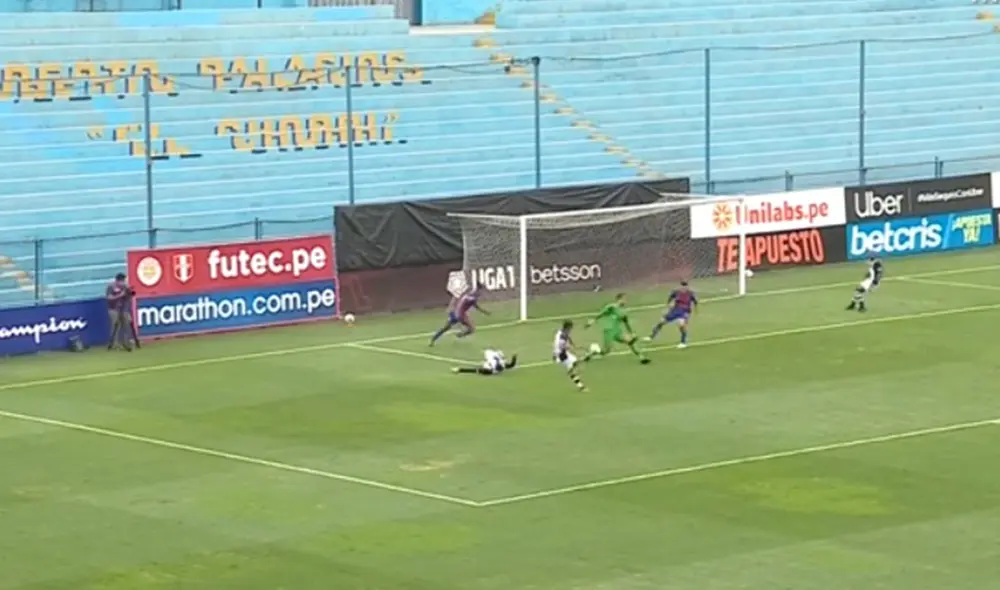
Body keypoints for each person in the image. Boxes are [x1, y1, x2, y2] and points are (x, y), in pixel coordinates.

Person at [583, 293, 650, 364]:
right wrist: (592, 321)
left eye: (626, 300)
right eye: (624, 299)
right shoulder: (611, 307)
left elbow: (626, 323)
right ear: (619, 299)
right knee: (606, 351)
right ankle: (593, 352)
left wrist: (631, 333)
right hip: (608, 330)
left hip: (618, 332)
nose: (625, 301)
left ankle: (642, 357)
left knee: (630, 341)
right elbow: (601, 314)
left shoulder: (624, 312)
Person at [646, 281, 697, 348]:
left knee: (681, 325)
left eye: (685, 286)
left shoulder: (690, 294)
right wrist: (668, 307)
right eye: (682, 286)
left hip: (684, 312)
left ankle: (683, 342)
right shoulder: (676, 292)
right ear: (680, 287)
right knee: (661, 322)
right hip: (675, 310)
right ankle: (651, 337)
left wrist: (693, 312)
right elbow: (670, 299)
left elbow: (695, 302)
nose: (684, 288)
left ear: (687, 287)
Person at [106, 272, 139, 351]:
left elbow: (130, 296)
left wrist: (129, 293)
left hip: (124, 309)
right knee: (116, 326)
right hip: (113, 309)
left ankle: (126, 342)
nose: (124, 282)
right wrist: (120, 295)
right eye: (122, 281)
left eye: (124, 281)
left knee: (126, 325)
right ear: (117, 281)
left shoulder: (125, 287)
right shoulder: (111, 286)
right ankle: (115, 344)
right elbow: (109, 298)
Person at [554, 320, 587, 391]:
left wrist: (574, 345)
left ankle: (580, 386)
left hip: (561, 353)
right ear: (568, 327)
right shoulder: (563, 336)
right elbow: (562, 346)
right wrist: (573, 349)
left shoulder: (562, 332)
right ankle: (571, 372)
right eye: (571, 328)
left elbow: (568, 338)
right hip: (561, 354)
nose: (571, 329)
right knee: (576, 363)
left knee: (574, 366)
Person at [452, 349, 517, 375]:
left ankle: (459, 370)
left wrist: (514, 358)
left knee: (475, 370)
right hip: (491, 369)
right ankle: (459, 370)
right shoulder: (501, 361)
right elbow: (511, 365)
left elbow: (510, 365)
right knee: (476, 370)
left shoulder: (499, 363)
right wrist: (514, 358)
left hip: (490, 370)